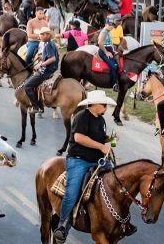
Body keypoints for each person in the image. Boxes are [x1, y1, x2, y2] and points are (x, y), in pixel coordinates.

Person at [53, 91, 119, 243]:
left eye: (106, 104)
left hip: (97, 160)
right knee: (72, 192)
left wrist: (110, 138)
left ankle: (119, 220)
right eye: (103, 104)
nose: (106, 107)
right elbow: (79, 137)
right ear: (94, 104)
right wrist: (102, 147)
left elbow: (99, 138)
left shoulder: (101, 120)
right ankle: (63, 226)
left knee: (116, 183)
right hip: (79, 160)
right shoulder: (82, 116)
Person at [25, 27, 59, 114]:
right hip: (52, 69)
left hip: (46, 71)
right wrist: (42, 58)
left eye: (41, 34)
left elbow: (52, 58)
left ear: (47, 35)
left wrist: (41, 65)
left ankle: (36, 107)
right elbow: (50, 57)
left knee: (27, 86)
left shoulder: (48, 45)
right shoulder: (51, 43)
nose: (40, 36)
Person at [97, 18, 119, 88]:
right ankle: (114, 84)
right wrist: (106, 52)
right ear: (106, 24)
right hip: (103, 51)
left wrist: (113, 50)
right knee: (113, 66)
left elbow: (111, 43)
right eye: (109, 25)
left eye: (112, 25)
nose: (111, 26)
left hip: (109, 49)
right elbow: (100, 43)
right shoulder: (104, 32)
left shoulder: (109, 31)